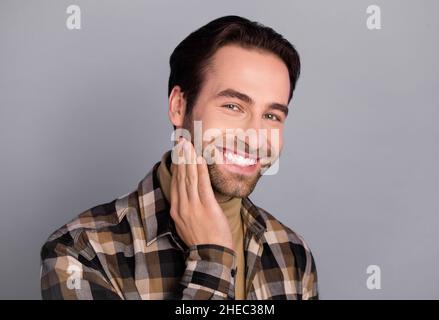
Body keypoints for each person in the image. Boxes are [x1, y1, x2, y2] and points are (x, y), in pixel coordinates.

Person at [40, 15, 319, 300]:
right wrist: (212, 258)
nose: (254, 137)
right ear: (178, 106)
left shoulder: (293, 254)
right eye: (233, 106)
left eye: (271, 116)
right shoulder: (83, 252)